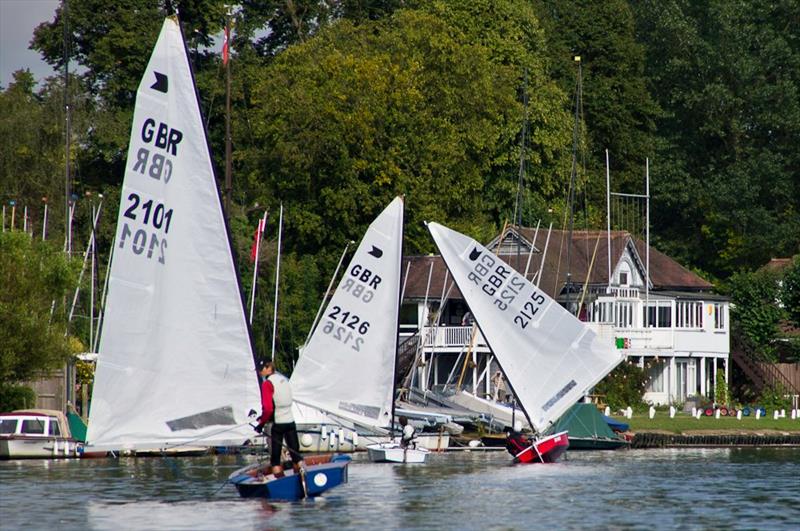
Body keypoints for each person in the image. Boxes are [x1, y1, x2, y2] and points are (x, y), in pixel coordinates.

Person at [255, 359, 305, 476]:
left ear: (268, 368)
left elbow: (268, 409)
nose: (259, 372)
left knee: (275, 460)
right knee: (296, 456)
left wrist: (261, 424)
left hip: (278, 424)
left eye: (261, 369)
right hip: (290, 422)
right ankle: (302, 479)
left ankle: (280, 485)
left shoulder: (267, 384)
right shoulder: (283, 379)